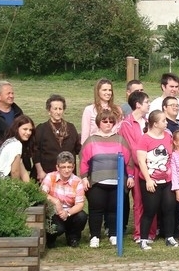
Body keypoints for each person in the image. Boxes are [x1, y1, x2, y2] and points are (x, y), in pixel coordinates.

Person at [80, 109, 134, 248]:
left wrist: (130, 176)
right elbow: (83, 161)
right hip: (97, 182)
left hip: (116, 181)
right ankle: (95, 236)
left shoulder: (120, 140)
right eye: (105, 121)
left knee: (113, 210)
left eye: (111, 121)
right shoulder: (91, 140)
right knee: (96, 210)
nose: (108, 124)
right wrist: (84, 178)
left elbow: (129, 160)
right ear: (99, 123)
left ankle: (113, 234)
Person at [136, 111, 177, 250]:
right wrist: (148, 180)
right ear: (155, 124)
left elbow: (173, 155)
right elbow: (141, 162)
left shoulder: (168, 136)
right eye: (163, 121)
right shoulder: (144, 139)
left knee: (169, 208)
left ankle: (169, 236)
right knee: (150, 210)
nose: (166, 123)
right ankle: (143, 239)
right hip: (151, 180)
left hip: (167, 180)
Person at [120, 91, 154, 243]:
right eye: (147, 102)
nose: (149, 104)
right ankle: (140, 233)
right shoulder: (127, 124)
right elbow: (132, 148)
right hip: (136, 166)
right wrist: (142, 163)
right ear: (138, 104)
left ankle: (151, 231)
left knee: (152, 200)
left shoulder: (148, 122)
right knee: (139, 201)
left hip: (152, 165)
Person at [41, 151, 88, 247]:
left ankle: (73, 237)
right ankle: (50, 239)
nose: (66, 170)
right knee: (58, 228)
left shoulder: (78, 181)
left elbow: (80, 204)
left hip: (69, 212)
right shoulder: (50, 177)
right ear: (57, 167)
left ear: (73, 167)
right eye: (63, 167)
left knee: (82, 216)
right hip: (53, 212)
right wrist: (56, 201)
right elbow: (41, 193)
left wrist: (67, 213)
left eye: (69, 167)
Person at [33, 94, 81, 182]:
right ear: (49, 111)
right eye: (55, 109)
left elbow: (78, 149)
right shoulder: (42, 128)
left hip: (67, 175)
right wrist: (40, 171)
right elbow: (36, 151)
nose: (58, 112)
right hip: (46, 174)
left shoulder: (71, 128)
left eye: (60, 109)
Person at [0, 115, 36, 181]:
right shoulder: (16, 144)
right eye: (25, 129)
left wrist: (30, 186)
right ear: (16, 129)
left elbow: (23, 171)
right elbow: (15, 171)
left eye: (30, 130)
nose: (28, 132)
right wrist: (17, 186)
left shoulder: (8, 141)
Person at [80, 78, 123, 144]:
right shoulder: (89, 110)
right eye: (104, 90)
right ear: (98, 91)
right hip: (95, 145)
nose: (108, 93)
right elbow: (85, 135)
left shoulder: (118, 109)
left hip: (114, 145)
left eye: (110, 90)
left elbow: (121, 130)